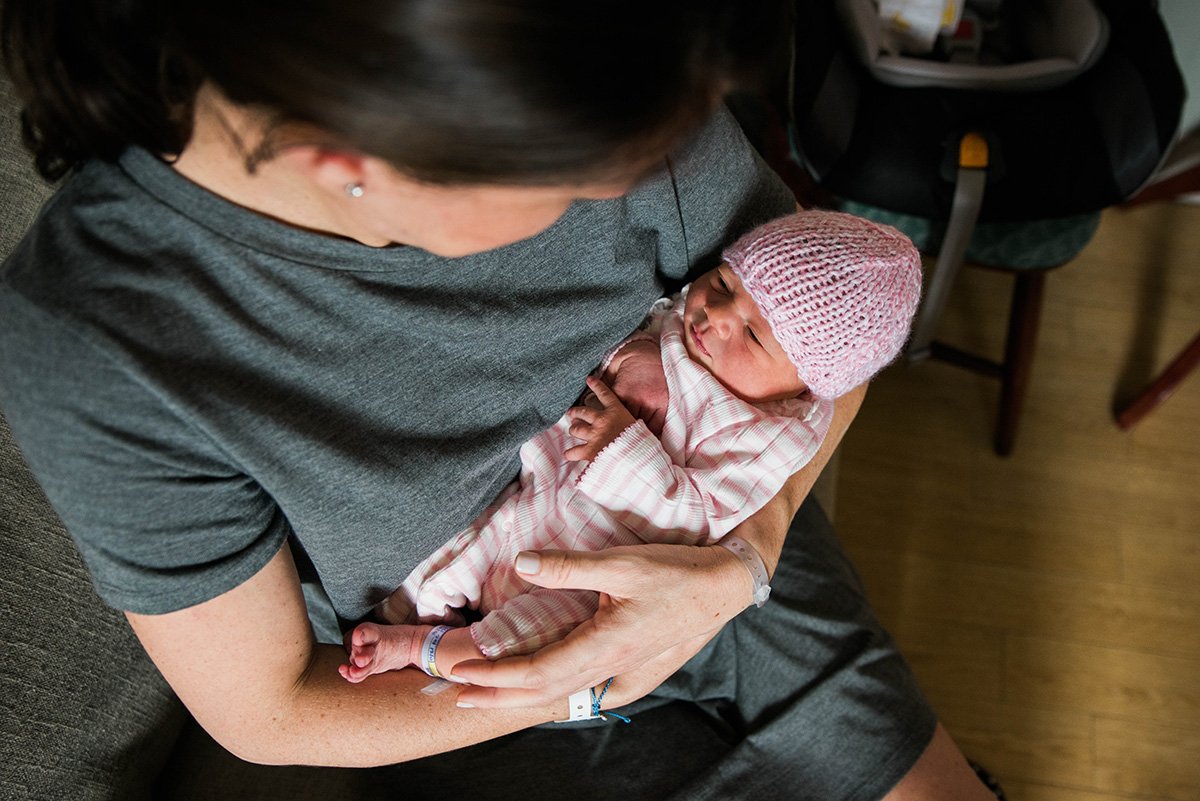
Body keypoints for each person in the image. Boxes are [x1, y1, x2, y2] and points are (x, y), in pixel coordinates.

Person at [0, 1, 997, 798]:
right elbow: (267, 713)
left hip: (691, 519)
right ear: (355, 167)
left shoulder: (589, 64)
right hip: (474, 649)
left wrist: (743, 564)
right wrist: (574, 678)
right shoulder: (98, 339)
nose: (629, 186)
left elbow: (836, 353)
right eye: (570, 187)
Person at [340, 210, 923, 685]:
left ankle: (427, 649)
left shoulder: (769, 435)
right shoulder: (680, 324)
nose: (715, 316)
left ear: (803, 384)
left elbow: (696, 517)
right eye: (722, 284)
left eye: (751, 333)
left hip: (600, 573)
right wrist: (631, 355)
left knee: (535, 645)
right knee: (450, 560)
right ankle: (399, 616)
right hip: (536, 494)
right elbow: (632, 319)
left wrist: (625, 447)